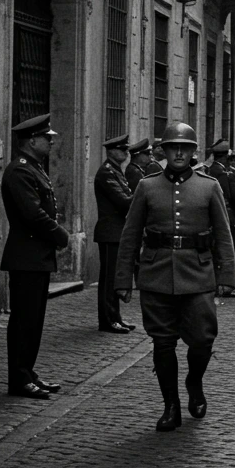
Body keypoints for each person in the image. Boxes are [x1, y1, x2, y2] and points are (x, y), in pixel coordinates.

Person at [115, 122, 235, 432]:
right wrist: (122, 279)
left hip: (198, 275)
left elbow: (223, 234)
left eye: (185, 147)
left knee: (202, 340)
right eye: (173, 147)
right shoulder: (147, 186)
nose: (179, 152)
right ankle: (171, 406)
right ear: (164, 152)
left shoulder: (209, 186)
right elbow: (130, 235)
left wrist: (227, 274)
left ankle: (194, 382)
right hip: (156, 275)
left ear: (193, 152)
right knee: (163, 343)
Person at [1, 114, 70, 400]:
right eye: (47, 137)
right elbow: (33, 214)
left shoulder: (33, 168)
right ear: (32, 141)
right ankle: (19, 377)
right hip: (26, 256)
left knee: (34, 320)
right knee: (24, 321)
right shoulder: (20, 171)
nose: (51, 141)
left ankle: (27, 372)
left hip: (36, 256)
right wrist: (60, 234)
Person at [93, 134, 135, 333]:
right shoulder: (106, 172)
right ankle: (108, 320)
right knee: (109, 279)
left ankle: (115, 317)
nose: (126, 152)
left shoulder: (117, 170)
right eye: (122, 149)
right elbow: (123, 201)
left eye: (126, 149)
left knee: (115, 277)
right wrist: (141, 193)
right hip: (110, 232)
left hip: (117, 232)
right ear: (111, 152)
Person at [205, 140, 235, 298]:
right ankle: (223, 285)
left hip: (214, 216)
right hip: (224, 214)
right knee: (226, 251)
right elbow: (227, 196)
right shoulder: (221, 173)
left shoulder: (211, 169)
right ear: (224, 158)